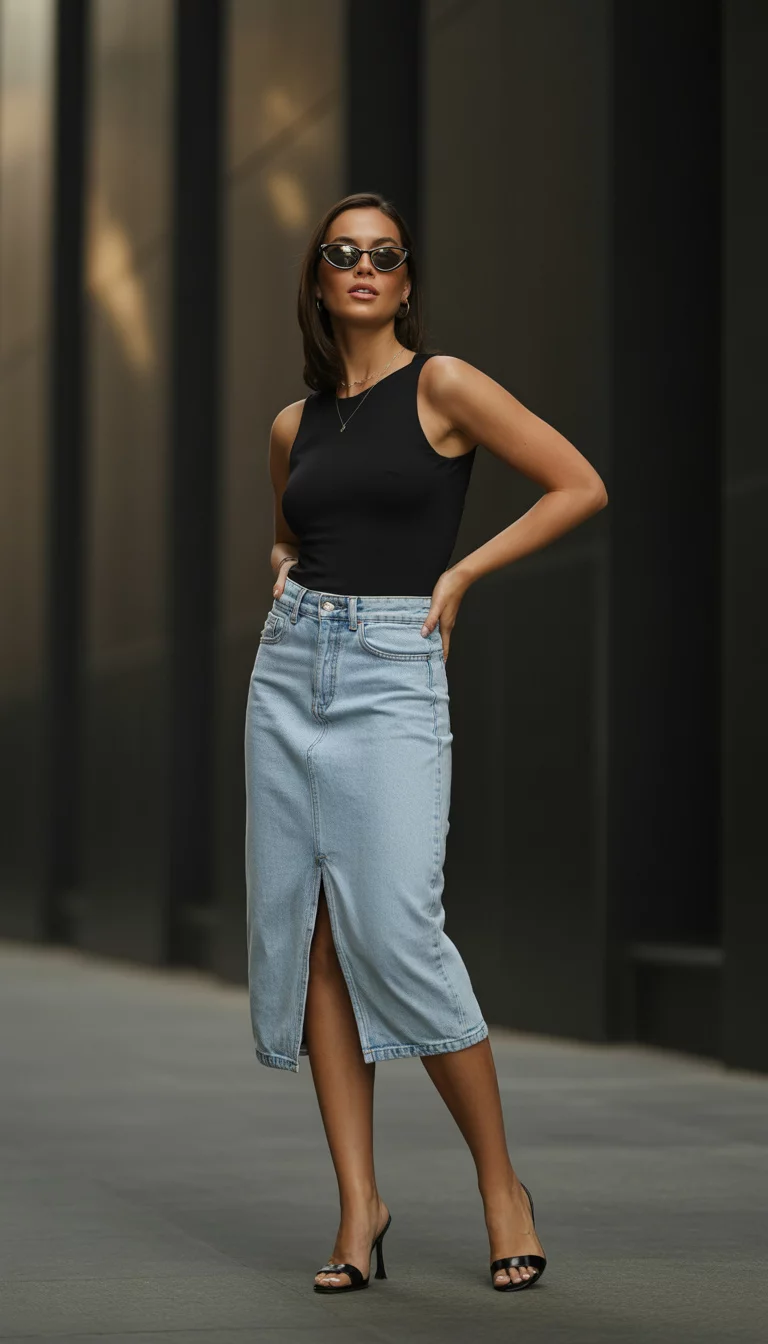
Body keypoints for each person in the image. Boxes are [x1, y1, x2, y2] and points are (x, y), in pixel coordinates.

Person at [244, 191, 608, 1296]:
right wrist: (283, 576)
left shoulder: (443, 385)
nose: (362, 266)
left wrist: (457, 575)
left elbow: (577, 483)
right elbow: (287, 533)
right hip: (287, 676)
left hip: (394, 672)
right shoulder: (292, 426)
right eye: (342, 253)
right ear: (318, 279)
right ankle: (360, 1208)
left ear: (406, 281)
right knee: (312, 935)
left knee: (396, 930)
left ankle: (503, 1187)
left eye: (384, 255)